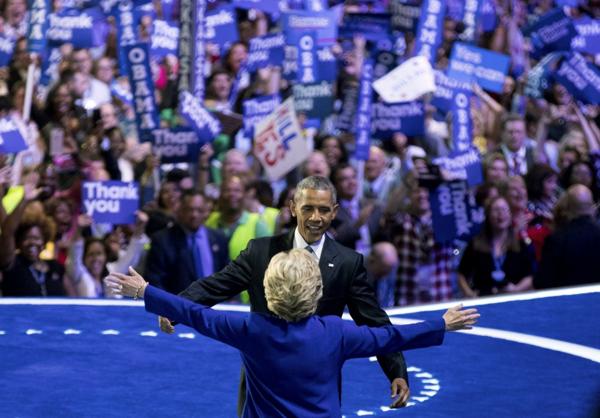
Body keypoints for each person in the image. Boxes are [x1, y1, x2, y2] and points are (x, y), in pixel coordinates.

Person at [104, 250, 479, 417]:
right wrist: (442, 323)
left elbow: (195, 314)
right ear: (317, 292)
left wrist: (144, 291)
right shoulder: (337, 333)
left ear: (268, 290)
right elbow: (391, 336)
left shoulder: (250, 329)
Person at [158, 176, 413, 409]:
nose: (316, 217)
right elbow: (216, 285)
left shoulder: (348, 263)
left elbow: (373, 321)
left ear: (334, 212)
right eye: (308, 208)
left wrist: (396, 371)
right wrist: (176, 307)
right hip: (262, 381)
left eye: (324, 210)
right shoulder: (260, 252)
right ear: (293, 208)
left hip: (318, 382)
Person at [145, 190, 229, 295]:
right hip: (178, 307)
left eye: (199, 210)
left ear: (206, 212)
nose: (194, 215)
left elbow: (228, 277)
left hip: (215, 307)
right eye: (190, 210)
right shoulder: (162, 240)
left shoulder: (219, 238)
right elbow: (155, 281)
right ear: (180, 210)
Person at [534, 185, 600, 289]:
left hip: (565, 302)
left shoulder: (556, 239)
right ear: (592, 206)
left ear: (567, 207)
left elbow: (542, 282)